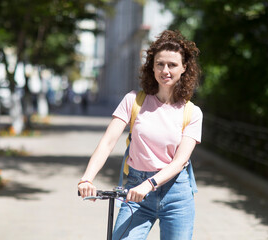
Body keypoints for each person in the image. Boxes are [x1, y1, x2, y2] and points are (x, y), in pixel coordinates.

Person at [78, 30, 203, 240]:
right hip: (136, 189)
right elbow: (107, 143)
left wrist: (150, 185)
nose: (165, 70)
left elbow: (180, 162)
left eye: (172, 65)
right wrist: (87, 179)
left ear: (184, 68)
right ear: (151, 67)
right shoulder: (134, 101)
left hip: (176, 194)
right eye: (160, 64)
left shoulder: (192, 112)